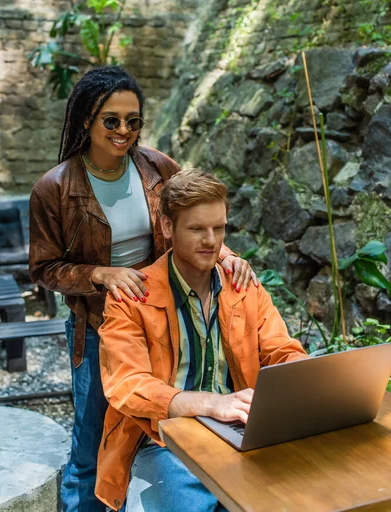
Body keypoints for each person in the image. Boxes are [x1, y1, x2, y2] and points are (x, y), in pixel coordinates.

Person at [28, 67, 257, 512]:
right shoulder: (54, 188)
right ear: (85, 122)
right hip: (100, 324)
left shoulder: (156, 166)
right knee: (94, 444)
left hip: (163, 312)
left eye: (133, 120)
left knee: (151, 424)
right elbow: (44, 268)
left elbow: (191, 218)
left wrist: (224, 253)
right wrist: (101, 274)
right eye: (110, 121)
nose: (124, 131)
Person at [96, 168, 307, 512]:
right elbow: (127, 383)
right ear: (168, 227)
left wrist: (308, 378)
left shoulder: (243, 284)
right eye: (196, 229)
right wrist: (207, 403)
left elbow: (280, 350)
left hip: (243, 431)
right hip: (163, 441)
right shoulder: (132, 295)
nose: (211, 241)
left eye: (219, 228)